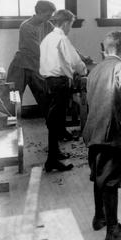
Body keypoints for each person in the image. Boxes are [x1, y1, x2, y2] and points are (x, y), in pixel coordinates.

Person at [82, 31, 121, 240]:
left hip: (93, 132)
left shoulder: (95, 69)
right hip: (111, 133)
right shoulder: (120, 66)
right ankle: (113, 233)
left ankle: (100, 217)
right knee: (111, 181)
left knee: (99, 176)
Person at [39, 9, 87, 172]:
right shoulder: (61, 38)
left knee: (55, 120)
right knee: (55, 120)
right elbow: (75, 61)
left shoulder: (47, 38)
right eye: (71, 25)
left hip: (48, 82)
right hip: (59, 83)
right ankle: (51, 160)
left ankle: (55, 153)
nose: (70, 28)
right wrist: (84, 71)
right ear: (65, 23)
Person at [6, 0, 55, 117]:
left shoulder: (47, 25)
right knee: (13, 102)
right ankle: (11, 133)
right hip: (20, 67)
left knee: (47, 101)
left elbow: (61, 41)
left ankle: (57, 131)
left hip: (35, 66)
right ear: (38, 12)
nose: (50, 18)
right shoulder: (26, 27)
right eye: (48, 15)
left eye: (51, 16)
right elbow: (38, 51)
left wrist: (81, 56)